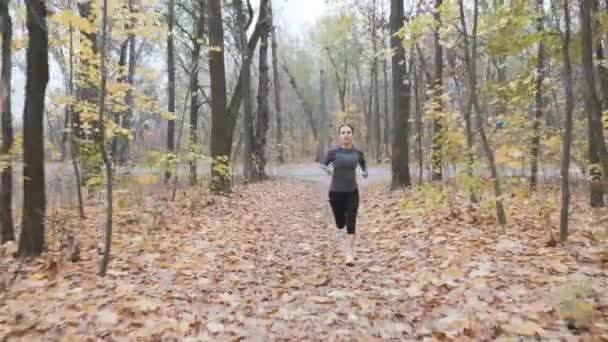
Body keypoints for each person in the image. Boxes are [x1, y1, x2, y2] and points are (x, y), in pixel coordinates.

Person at [320, 124, 368, 266]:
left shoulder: (358, 153)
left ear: (353, 135)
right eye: (343, 132)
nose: (346, 135)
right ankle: (340, 230)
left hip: (352, 192)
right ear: (339, 136)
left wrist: (363, 173)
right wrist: (328, 170)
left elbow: (363, 166)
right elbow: (324, 165)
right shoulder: (333, 152)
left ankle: (349, 255)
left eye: (348, 132)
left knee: (351, 223)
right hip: (335, 193)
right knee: (340, 223)